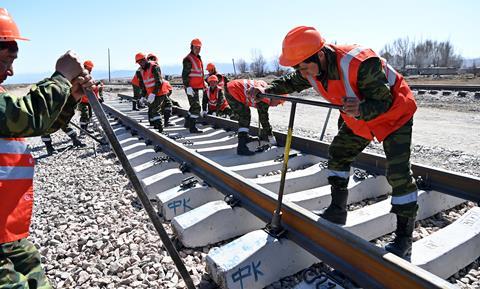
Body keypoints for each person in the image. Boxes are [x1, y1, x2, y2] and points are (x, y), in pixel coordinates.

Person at [251, 26, 418, 258]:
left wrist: (361, 108)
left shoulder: (360, 62)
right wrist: (266, 90)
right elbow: (291, 82)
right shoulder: (311, 68)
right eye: (298, 67)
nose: (303, 73)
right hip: (359, 116)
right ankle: (338, 210)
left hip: (394, 114)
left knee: (398, 173)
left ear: (320, 55)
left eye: (304, 66)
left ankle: (403, 239)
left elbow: (384, 102)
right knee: (338, 154)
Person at [0, 7, 94, 288]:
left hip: (5, 229)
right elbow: (26, 116)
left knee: (33, 272)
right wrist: (62, 77)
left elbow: (35, 125)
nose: (11, 70)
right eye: (6, 58)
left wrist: (70, 98)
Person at [226, 79, 282, 156]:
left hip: (232, 88)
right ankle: (241, 147)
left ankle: (245, 138)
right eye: (279, 102)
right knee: (244, 116)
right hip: (233, 90)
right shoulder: (265, 97)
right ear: (276, 97)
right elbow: (264, 119)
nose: (277, 105)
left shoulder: (265, 90)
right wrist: (271, 137)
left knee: (245, 113)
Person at [133, 52, 170, 132]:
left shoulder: (154, 66)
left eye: (142, 61)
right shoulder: (141, 71)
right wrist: (143, 96)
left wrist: (153, 93)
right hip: (151, 94)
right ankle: (155, 127)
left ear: (145, 59)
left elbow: (159, 82)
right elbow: (143, 86)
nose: (141, 64)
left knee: (155, 110)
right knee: (151, 110)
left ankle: (160, 129)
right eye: (139, 62)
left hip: (160, 92)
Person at [182, 38, 204, 133]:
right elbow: (185, 75)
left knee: (193, 106)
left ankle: (187, 122)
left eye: (199, 47)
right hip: (190, 87)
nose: (198, 49)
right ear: (191, 47)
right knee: (196, 107)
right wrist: (188, 87)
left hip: (196, 87)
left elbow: (199, 73)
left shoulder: (198, 57)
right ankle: (192, 127)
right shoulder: (188, 59)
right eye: (196, 47)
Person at [147, 53, 173, 126]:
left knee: (152, 106)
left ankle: (152, 122)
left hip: (152, 90)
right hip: (158, 90)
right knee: (167, 104)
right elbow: (158, 80)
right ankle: (164, 123)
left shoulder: (146, 68)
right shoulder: (154, 66)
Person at [78, 60, 103, 133]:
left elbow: (91, 86)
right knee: (84, 114)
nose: (91, 69)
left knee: (89, 115)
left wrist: (96, 85)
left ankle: (85, 129)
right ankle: (82, 130)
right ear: (87, 67)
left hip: (88, 100)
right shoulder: (83, 75)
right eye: (90, 68)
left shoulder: (88, 75)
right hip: (82, 100)